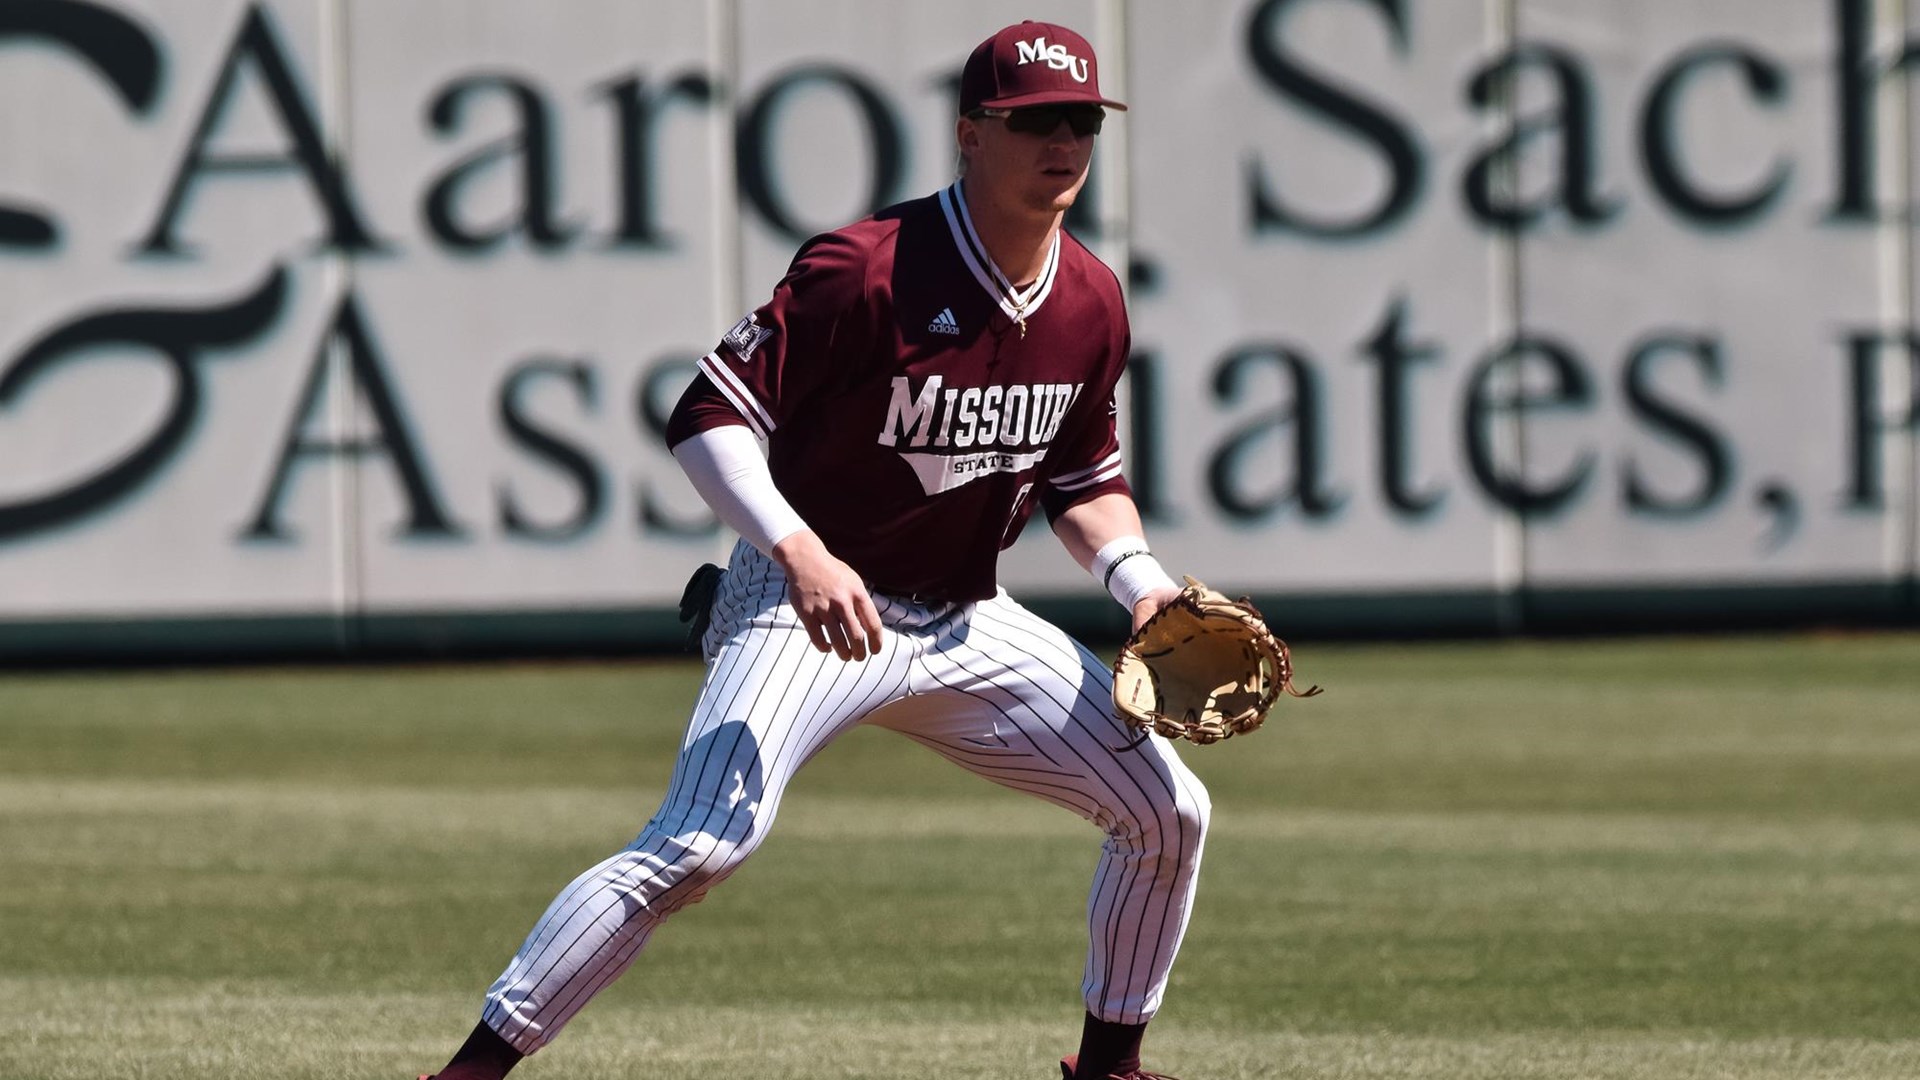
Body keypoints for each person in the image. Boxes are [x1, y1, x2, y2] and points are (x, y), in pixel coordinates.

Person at [424, 20, 1204, 1080]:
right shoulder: (867, 270)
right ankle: (467, 1074)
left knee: (1167, 810)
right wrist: (794, 548)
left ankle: (1109, 1068)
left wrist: (1145, 587)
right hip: (806, 607)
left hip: (965, 623)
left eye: (1078, 121)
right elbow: (708, 416)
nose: (1060, 141)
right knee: (701, 846)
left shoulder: (1090, 299)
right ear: (971, 134)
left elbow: (1081, 479)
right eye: (1031, 121)